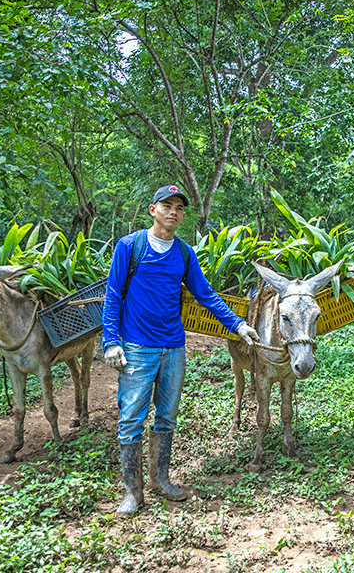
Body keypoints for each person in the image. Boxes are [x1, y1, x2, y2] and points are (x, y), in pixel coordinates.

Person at [102, 184, 259, 516]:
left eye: (179, 208)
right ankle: (133, 493)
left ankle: (160, 480)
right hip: (137, 347)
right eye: (167, 205)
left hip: (173, 347)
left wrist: (238, 325)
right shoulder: (130, 246)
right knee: (131, 419)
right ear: (152, 209)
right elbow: (114, 295)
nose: (173, 211)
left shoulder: (185, 253)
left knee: (166, 417)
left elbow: (205, 294)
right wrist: (111, 342)